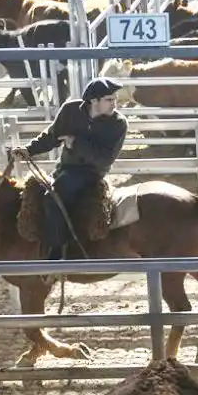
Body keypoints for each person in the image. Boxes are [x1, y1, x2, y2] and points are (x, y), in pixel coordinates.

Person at [12, 76, 129, 260]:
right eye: (109, 100)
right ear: (93, 100)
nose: (114, 104)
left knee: (53, 197)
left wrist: (76, 143)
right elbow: (51, 136)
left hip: (91, 172)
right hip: (65, 168)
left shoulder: (118, 124)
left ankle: (57, 250)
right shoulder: (70, 111)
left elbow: (105, 159)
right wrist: (28, 150)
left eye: (114, 99)